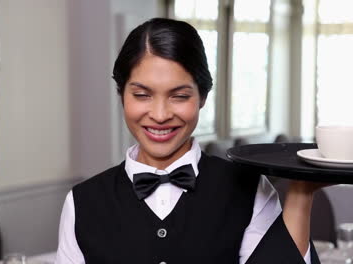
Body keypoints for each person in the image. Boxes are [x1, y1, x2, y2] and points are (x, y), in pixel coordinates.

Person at [55, 17, 323, 264]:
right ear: (122, 95)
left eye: (179, 96)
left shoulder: (252, 190)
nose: (160, 115)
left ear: (203, 97)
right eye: (142, 95)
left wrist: (302, 192)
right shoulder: (81, 203)